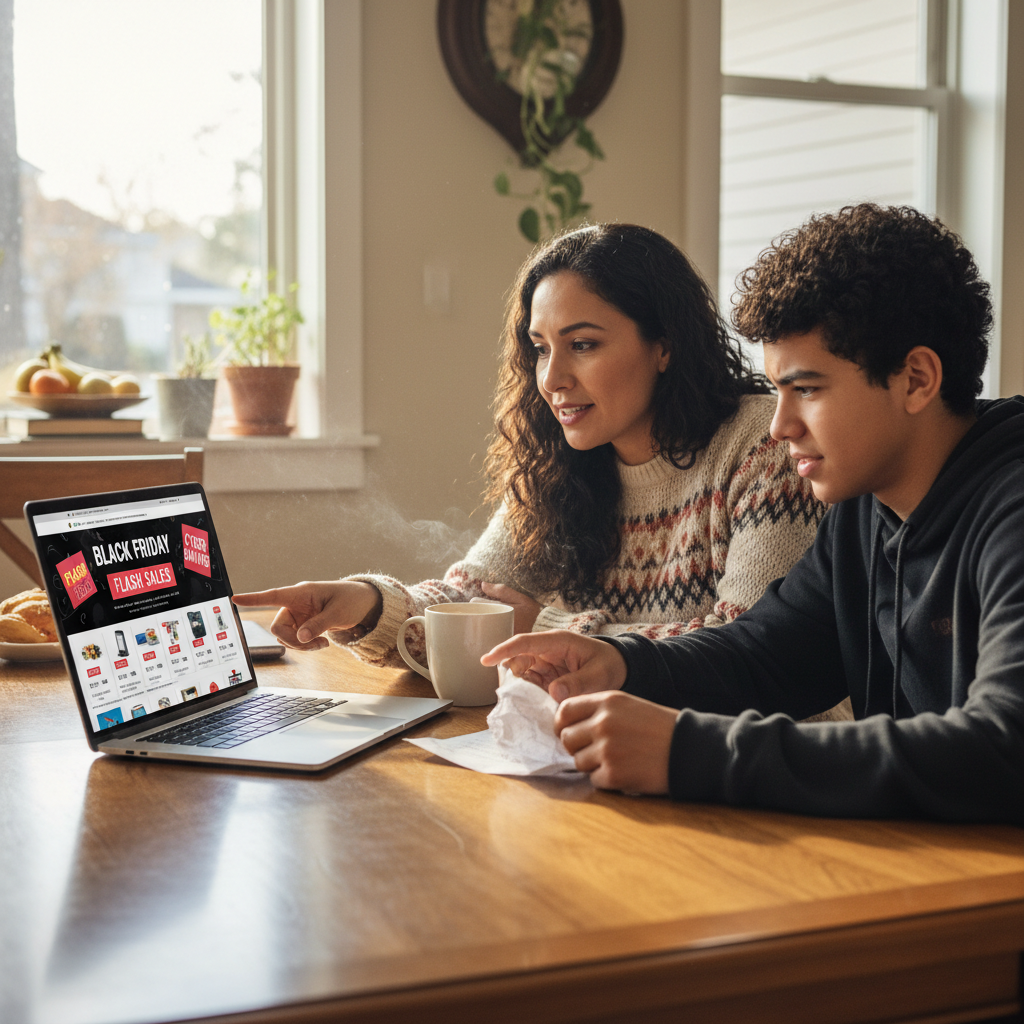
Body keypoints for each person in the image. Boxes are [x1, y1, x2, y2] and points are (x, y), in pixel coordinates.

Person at [482, 204, 1024, 825]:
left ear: (917, 379)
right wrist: (623, 664)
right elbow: (767, 655)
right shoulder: (867, 508)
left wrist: (689, 750)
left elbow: (1004, 747)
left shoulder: (1011, 505)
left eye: (808, 389)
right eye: (778, 389)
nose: (781, 425)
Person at [235, 224, 828, 701]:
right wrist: (363, 603)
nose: (551, 379)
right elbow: (468, 604)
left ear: (665, 344)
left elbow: (747, 654)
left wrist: (545, 630)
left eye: (584, 345)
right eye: (540, 349)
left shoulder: (765, 444)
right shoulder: (559, 469)